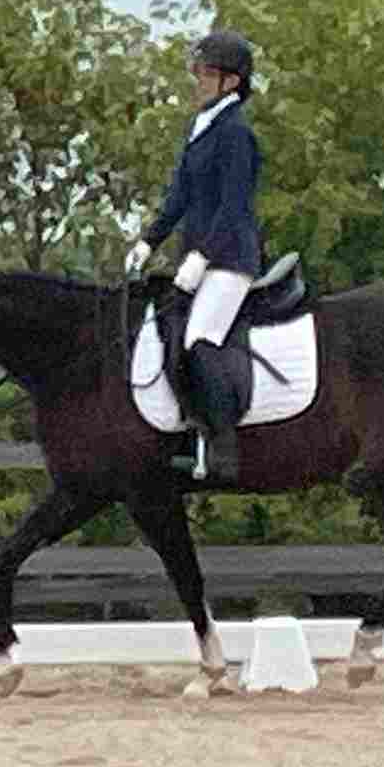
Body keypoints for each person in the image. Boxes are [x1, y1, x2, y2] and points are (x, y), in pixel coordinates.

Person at [124, 29, 263, 483]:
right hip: (198, 258)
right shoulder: (202, 128)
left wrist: (204, 254)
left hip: (231, 259)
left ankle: (223, 448)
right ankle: (183, 437)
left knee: (200, 340)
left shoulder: (236, 134)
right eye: (198, 72)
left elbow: (233, 204)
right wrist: (149, 241)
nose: (198, 81)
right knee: (166, 331)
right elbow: (179, 197)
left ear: (231, 81)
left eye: (206, 73)